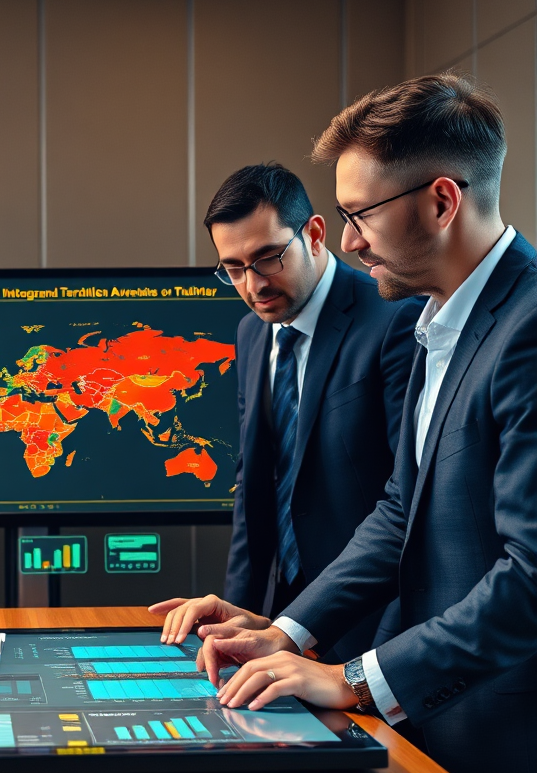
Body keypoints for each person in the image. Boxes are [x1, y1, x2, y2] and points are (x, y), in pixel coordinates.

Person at [176, 74, 537, 773]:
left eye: (358, 215)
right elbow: (401, 511)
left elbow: (530, 579)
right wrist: (285, 632)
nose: (346, 241)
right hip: (432, 724)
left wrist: (355, 678)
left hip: (505, 740)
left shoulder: (527, 331)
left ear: (441, 201)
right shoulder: (432, 321)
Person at [150, 164, 419, 660]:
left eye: (267, 258)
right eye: (233, 268)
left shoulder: (395, 318)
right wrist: (235, 621)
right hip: (277, 616)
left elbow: (409, 500)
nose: (253, 285)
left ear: (315, 235)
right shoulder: (251, 333)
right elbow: (255, 488)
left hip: (372, 624)